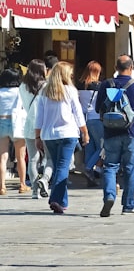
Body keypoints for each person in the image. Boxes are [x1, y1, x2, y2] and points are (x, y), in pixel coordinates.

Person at [95, 55, 134, 216]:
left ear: (115, 67)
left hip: (110, 132)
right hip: (132, 132)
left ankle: (110, 196)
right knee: (130, 169)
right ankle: (128, 204)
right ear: (131, 67)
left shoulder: (106, 84)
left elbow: (99, 107)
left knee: (110, 167)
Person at [34, 62, 89, 214]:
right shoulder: (70, 90)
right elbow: (78, 113)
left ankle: (62, 202)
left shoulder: (44, 90)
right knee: (63, 167)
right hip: (68, 133)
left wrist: (37, 136)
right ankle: (56, 199)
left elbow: (39, 117)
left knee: (59, 167)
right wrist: (84, 132)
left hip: (49, 135)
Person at [18, 60, 47, 196]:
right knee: (49, 157)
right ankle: (45, 181)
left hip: (30, 124)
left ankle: (35, 189)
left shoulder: (23, 86)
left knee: (33, 159)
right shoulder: (46, 86)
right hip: (45, 124)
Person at [76, 61, 104, 184]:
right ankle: (88, 168)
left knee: (89, 148)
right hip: (96, 118)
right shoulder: (99, 86)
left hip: (83, 119)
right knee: (103, 147)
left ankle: (90, 176)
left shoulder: (79, 85)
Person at [0, 68, 25, 195]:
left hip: (1, 121)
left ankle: (2, 186)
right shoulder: (19, 92)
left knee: (2, 157)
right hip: (16, 123)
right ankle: (22, 184)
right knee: (20, 157)